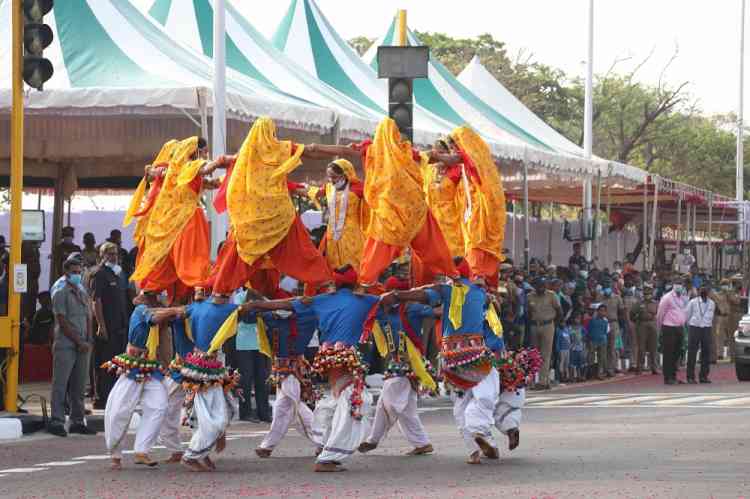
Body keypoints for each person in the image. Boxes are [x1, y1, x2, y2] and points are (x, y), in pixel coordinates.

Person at [247, 266, 377, 472]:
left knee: (339, 401)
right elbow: (392, 298)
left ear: (335, 284)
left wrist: (257, 304)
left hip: (326, 357)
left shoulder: (317, 302)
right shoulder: (365, 301)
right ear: (354, 284)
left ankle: (322, 441)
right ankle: (327, 453)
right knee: (354, 402)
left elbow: (286, 304)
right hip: (342, 357)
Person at [310, 118, 458, 286]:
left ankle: (365, 284)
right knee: (431, 244)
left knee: (378, 250)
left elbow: (345, 150)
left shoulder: (373, 151)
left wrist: (315, 148)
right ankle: (453, 275)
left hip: (390, 214)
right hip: (412, 210)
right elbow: (430, 157)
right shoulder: (404, 151)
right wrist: (455, 157)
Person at [385, 261, 498, 464]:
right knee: (485, 394)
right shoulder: (479, 293)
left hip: (451, 359)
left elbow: (425, 293)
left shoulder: (448, 290)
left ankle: (475, 450)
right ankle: (480, 432)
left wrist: (397, 296)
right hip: (475, 354)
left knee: (461, 403)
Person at [207, 117, 333, 295]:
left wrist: (206, 170)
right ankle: (326, 283)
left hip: (251, 224)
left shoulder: (243, 159)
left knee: (235, 257)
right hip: (278, 219)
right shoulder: (277, 151)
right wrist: (346, 151)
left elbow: (219, 170)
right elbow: (312, 150)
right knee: (303, 250)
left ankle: (218, 292)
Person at [131, 137, 223, 303]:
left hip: (174, 222)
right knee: (193, 255)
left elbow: (211, 182)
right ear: (195, 151)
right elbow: (207, 169)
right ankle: (197, 289)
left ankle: (151, 291)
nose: (205, 154)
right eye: (203, 151)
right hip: (190, 219)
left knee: (168, 255)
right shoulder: (189, 166)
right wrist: (222, 162)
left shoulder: (172, 171)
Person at [358, 276, 435, 456]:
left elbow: (436, 311)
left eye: (390, 294)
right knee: (406, 408)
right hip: (395, 363)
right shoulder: (382, 312)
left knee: (389, 402)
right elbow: (364, 306)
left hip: (410, 363)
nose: (386, 297)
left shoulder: (412, 309)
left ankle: (373, 440)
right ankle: (422, 443)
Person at [103, 291, 172, 469]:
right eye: (159, 295)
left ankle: (142, 451)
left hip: (151, 367)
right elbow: (154, 319)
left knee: (159, 406)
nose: (162, 298)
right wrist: (175, 310)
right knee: (120, 410)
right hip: (133, 366)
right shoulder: (142, 309)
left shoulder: (154, 309)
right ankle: (115, 455)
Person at [254, 292, 320, 457]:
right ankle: (267, 446)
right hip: (284, 368)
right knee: (284, 407)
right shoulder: (307, 317)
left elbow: (252, 312)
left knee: (292, 406)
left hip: (291, 370)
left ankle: (323, 442)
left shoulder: (272, 318)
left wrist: (262, 303)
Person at [449, 127, 507, 287]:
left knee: (477, 261)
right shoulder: (467, 167)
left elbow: (462, 161)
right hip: (473, 221)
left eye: (454, 146)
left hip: (482, 221)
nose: (453, 150)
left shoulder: (477, 164)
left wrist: (431, 156)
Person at [48, 256, 96, 437]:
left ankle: (77, 420)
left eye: (79, 271)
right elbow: (62, 321)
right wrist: (79, 341)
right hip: (67, 344)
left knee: (79, 384)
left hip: (84, 344)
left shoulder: (81, 289)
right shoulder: (60, 290)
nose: (78, 274)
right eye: (74, 272)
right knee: (60, 384)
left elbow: (88, 316)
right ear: (66, 272)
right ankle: (57, 421)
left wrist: (89, 339)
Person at [312, 159, 369, 271]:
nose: (331, 180)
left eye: (334, 177)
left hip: (352, 234)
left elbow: (375, 197)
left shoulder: (359, 187)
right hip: (332, 234)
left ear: (346, 174)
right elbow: (312, 192)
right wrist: (288, 185)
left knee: (354, 265)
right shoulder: (329, 188)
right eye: (329, 177)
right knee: (334, 265)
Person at [92, 242, 130, 408]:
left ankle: (115, 396)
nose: (113, 256)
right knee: (105, 363)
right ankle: (102, 398)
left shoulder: (120, 274)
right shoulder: (99, 274)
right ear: (102, 255)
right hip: (107, 326)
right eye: (109, 253)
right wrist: (101, 325)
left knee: (118, 362)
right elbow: (96, 300)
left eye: (115, 253)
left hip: (120, 326)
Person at [232, 287, 271, 423]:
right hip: (243, 344)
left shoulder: (262, 296)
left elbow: (273, 309)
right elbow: (243, 314)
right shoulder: (239, 297)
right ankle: (245, 412)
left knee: (262, 380)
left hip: (260, 344)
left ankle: (264, 412)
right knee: (245, 380)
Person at [527, 277, 562, 390]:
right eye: (539, 286)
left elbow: (559, 310)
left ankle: (543, 381)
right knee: (534, 354)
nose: (541, 288)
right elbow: (528, 312)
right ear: (535, 286)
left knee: (545, 354)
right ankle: (533, 381)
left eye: (543, 285)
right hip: (534, 325)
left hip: (548, 325)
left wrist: (555, 324)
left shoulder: (551, 295)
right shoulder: (530, 296)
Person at [656, 278, 689, 385]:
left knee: (678, 352)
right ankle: (667, 377)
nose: (679, 286)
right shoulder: (667, 298)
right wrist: (659, 328)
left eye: (681, 284)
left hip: (679, 327)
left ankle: (674, 375)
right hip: (668, 327)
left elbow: (684, 311)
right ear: (673, 285)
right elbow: (660, 313)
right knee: (668, 353)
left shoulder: (683, 297)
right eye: (677, 284)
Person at [685, 284, 715, 384]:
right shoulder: (693, 302)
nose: (704, 292)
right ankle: (690, 377)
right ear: (698, 291)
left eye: (706, 290)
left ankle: (704, 376)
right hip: (695, 328)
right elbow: (687, 315)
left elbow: (712, 317)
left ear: (709, 292)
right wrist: (692, 325)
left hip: (706, 328)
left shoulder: (712, 303)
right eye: (702, 290)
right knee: (692, 352)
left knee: (706, 352)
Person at [630, 286, 660, 374]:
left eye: (649, 293)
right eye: (646, 294)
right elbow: (631, 314)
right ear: (643, 294)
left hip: (653, 324)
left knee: (653, 347)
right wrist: (637, 321)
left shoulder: (655, 303)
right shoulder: (638, 303)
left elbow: (659, 313)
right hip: (641, 325)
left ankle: (654, 367)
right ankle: (640, 367)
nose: (647, 295)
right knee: (641, 347)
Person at [602, 286, 625, 376]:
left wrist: (622, 323)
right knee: (604, 346)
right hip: (603, 322)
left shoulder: (617, 297)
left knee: (614, 346)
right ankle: (605, 368)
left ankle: (613, 367)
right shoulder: (600, 297)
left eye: (608, 284)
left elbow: (622, 311)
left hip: (613, 323)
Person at [586, 304, 609, 380]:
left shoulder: (605, 322)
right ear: (597, 311)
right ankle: (590, 373)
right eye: (601, 311)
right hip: (593, 341)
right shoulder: (592, 320)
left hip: (602, 341)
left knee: (601, 358)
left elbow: (605, 331)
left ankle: (599, 373)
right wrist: (589, 340)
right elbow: (589, 331)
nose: (602, 312)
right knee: (591, 357)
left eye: (604, 311)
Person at [569, 313, 586, 381]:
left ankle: (579, 376)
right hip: (573, 348)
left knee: (580, 364)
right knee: (572, 363)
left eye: (579, 318)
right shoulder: (570, 328)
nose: (577, 320)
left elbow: (585, 335)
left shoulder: (581, 327)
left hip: (580, 348)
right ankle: (571, 377)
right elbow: (569, 338)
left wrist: (583, 343)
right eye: (576, 318)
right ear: (573, 319)